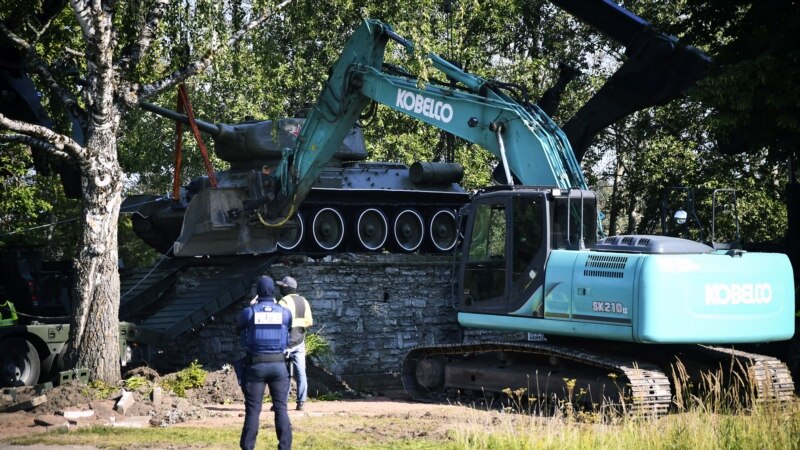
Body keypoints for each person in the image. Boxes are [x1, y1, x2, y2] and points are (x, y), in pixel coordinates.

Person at [235, 276, 292, 450]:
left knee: (253, 410)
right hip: (278, 366)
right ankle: (285, 447)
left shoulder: (250, 312)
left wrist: (253, 305)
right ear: (274, 291)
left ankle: (248, 447)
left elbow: (238, 327)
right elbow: (288, 328)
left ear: (257, 292)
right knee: (281, 409)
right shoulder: (284, 312)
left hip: (255, 366)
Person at [276, 276, 313, 411]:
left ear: (288, 288)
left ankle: (281, 403)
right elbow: (309, 322)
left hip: (285, 341)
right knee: (301, 372)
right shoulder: (304, 301)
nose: (280, 288)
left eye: (282, 286)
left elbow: (278, 321)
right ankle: (301, 402)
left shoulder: (283, 302)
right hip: (299, 340)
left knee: (281, 373)